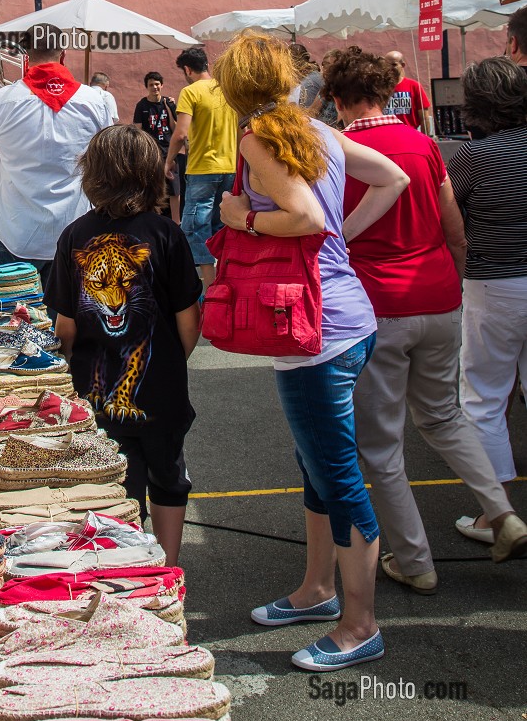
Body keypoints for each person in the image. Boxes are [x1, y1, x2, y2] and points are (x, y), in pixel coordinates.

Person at [214, 33, 407, 672]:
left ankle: (360, 624)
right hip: (344, 317)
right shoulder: (314, 131)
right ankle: (317, 591)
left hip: (314, 333)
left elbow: (302, 217)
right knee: (320, 467)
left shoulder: (259, 138)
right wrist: (345, 243)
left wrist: (240, 217)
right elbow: (393, 177)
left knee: (337, 477)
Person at [322, 47, 527, 584]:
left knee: (382, 446)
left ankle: (415, 562)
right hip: (437, 295)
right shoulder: (424, 145)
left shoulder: (341, 152)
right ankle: (500, 513)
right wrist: (453, 281)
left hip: (377, 305)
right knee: (444, 416)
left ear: (338, 99)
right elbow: (452, 226)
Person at [47, 125, 201, 566]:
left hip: (96, 393)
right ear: (151, 173)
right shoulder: (167, 234)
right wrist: (170, 361)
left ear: (91, 175)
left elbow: (66, 327)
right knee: (169, 477)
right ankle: (169, 569)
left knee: (116, 484)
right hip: (163, 391)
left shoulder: (74, 237)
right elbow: (189, 321)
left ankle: (126, 570)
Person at [447, 58, 527, 548]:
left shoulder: (473, 157)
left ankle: (498, 516)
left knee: (483, 396)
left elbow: (446, 218)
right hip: (501, 279)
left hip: (493, 282)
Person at [0, 25, 110, 274]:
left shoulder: (1, 100)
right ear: (62, 53)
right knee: (72, 313)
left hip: (15, 232)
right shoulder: (95, 101)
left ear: (26, 54)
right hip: (75, 229)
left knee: (12, 313)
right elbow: (107, 156)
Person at [164, 47, 237, 286]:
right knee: (220, 226)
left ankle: (209, 285)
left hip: (202, 168)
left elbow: (180, 132)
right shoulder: (227, 90)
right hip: (230, 166)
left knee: (196, 227)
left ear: (187, 69)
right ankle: (224, 279)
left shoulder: (190, 91)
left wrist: (169, 160)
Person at [133, 71, 180, 221]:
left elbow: (175, 128)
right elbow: (137, 129)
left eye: (157, 84)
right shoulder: (142, 105)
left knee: (174, 188)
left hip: (169, 151)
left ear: (162, 85)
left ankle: (176, 221)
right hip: (151, 153)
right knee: (154, 187)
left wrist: (169, 108)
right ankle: (155, 219)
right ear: (146, 87)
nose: (154, 87)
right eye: (151, 85)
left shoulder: (169, 103)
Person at [382, 51, 432, 132]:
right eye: (387, 65)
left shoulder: (414, 86)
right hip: (387, 136)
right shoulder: (380, 88)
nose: (390, 68)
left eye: (394, 64)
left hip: (410, 135)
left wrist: (425, 140)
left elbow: (424, 118)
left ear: (402, 65)